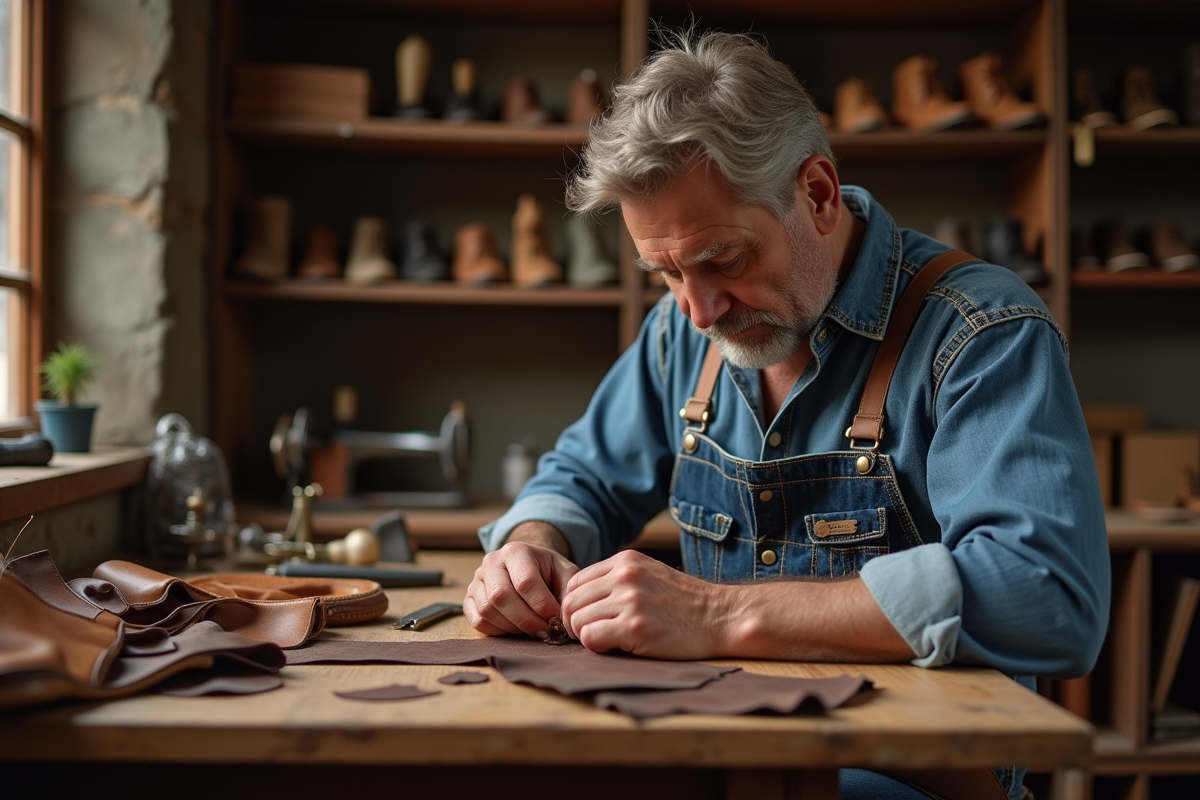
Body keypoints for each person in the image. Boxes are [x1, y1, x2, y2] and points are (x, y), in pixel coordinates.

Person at [467, 29, 1110, 800]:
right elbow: (584, 476)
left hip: (904, 776)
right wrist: (530, 546)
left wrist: (719, 615)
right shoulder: (685, 333)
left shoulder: (980, 333)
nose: (698, 311)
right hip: (719, 750)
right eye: (665, 271)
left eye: (723, 260)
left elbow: (1047, 597)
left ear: (817, 194)